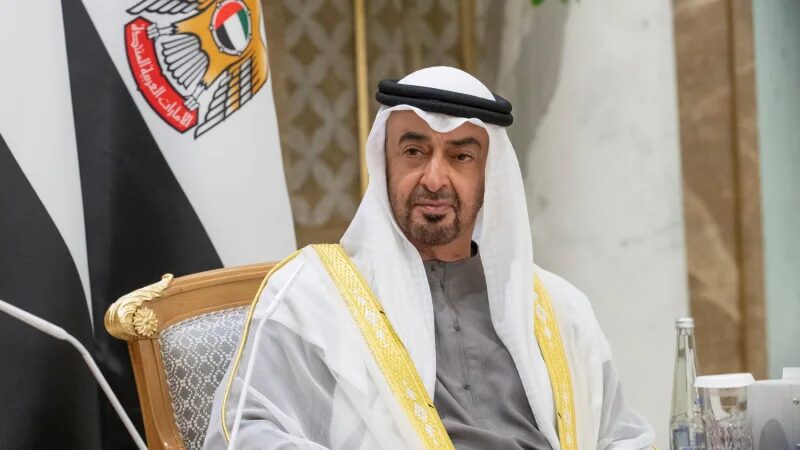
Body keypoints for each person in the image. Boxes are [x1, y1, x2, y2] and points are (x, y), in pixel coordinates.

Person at [204, 66, 655, 450]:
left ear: (490, 175)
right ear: (385, 162)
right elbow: (242, 434)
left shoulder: (559, 311)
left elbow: (624, 436)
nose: (435, 179)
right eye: (414, 152)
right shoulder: (312, 297)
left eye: (461, 156)